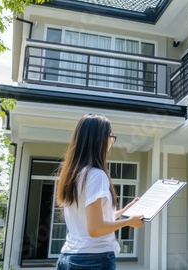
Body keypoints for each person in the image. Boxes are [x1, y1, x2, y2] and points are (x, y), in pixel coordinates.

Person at [56, 113, 144, 269]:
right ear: (101, 139)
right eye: (111, 136)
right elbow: (95, 229)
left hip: (68, 257)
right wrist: (129, 222)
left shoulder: (74, 174)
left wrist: (124, 211)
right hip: (93, 260)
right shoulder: (97, 175)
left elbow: (93, 219)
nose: (112, 141)